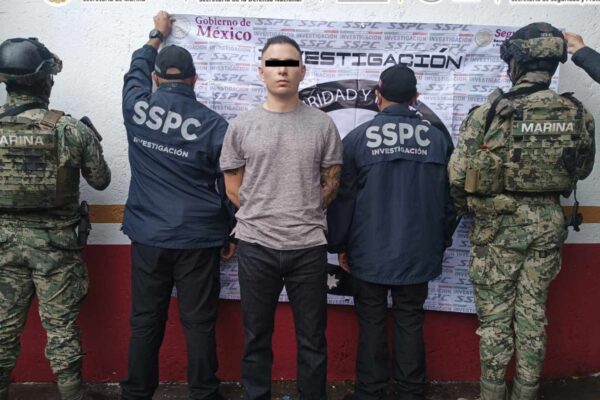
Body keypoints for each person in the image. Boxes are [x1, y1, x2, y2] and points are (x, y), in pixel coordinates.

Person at [449, 22, 595, 400]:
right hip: (548, 224)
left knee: (495, 319)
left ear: (515, 62)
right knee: (533, 314)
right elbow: (581, 169)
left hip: (497, 226)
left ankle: (491, 394)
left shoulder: (489, 113)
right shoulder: (577, 113)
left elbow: (458, 177)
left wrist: (475, 205)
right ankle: (526, 393)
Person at [220, 35, 343, 400]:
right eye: (274, 64)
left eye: (290, 63)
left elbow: (331, 183)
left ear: (302, 71)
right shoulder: (242, 126)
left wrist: (303, 211)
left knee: (312, 339)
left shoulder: (322, 125)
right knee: (256, 338)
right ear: (262, 72)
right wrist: (264, 215)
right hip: (256, 246)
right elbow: (232, 188)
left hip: (308, 247)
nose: (282, 71)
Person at [119, 11, 234, 400]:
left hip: (148, 235)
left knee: (145, 321)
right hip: (199, 238)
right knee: (199, 322)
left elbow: (134, 71)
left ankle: (136, 394)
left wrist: (156, 35)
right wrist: (229, 233)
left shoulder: (136, 106)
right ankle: (204, 393)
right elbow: (230, 186)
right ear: (194, 80)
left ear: (155, 79)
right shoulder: (215, 125)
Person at [327, 65, 456, 400]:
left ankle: (370, 392)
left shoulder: (357, 139)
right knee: (409, 319)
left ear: (377, 95)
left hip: (368, 252)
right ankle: (411, 392)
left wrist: (339, 244)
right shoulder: (438, 140)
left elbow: (343, 199)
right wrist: (440, 240)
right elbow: (451, 200)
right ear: (415, 98)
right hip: (419, 251)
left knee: (371, 321)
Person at [0, 38, 111, 400]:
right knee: (61, 327)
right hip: (55, 249)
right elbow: (101, 180)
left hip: (3, 246)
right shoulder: (70, 129)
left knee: (2, 329)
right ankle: (72, 394)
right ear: (46, 79)